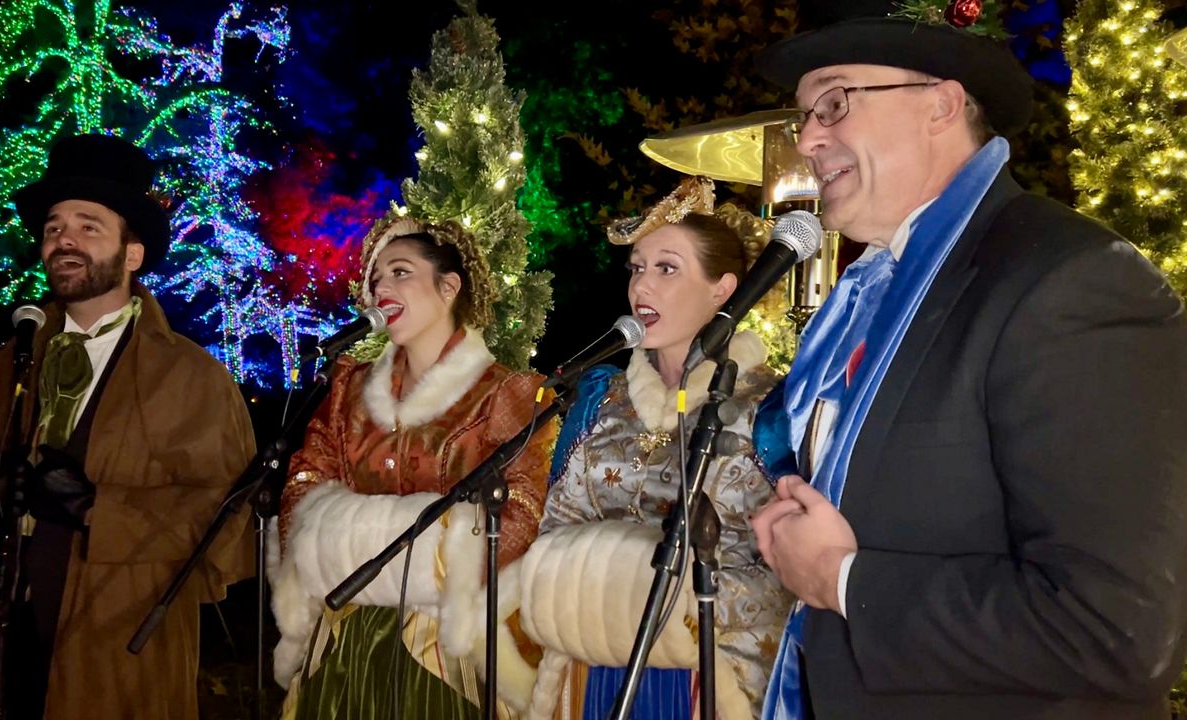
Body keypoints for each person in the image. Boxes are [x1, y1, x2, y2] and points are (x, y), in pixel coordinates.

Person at [747, 2, 1187, 719]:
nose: (807, 138)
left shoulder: (1069, 282)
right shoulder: (866, 298)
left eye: (833, 103)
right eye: (802, 116)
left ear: (941, 105)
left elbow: (1115, 633)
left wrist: (843, 579)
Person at [0, 133, 256, 720]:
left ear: (132, 254)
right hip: (4, 644)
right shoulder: (10, 362)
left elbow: (231, 521)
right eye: (54, 228)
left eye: (87, 226)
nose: (64, 241)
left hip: (119, 654)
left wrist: (98, 509)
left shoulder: (192, 377)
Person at [514, 176, 796, 720]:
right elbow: (555, 527)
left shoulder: (771, 409)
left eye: (667, 268)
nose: (642, 286)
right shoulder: (601, 402)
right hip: (593, 668)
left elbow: (787, 568)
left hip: (712, 682)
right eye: (637, 268)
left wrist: (641, 590)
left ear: (722, 289)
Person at [268, 215, 557, 719]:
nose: (381, 285)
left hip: (448, 642)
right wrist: (343, 548)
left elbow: (527, 511)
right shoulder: (347, 391)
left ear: (449, 287)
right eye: (375, 276)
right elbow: (303, 481)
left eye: (400, 272)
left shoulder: (506, 395)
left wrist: (435, 567)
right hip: (346, 630)